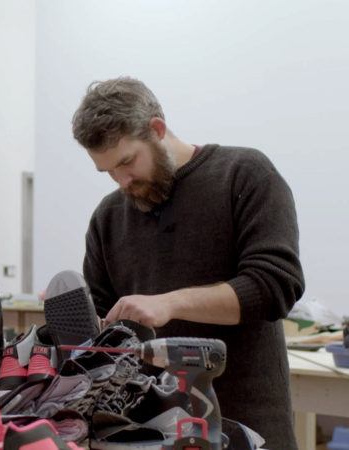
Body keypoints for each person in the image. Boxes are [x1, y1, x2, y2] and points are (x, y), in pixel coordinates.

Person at [71, 77, 304, 449]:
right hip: (148, 433)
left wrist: (169, 303)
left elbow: (274, 286)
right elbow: (101, 332)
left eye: (128, 162)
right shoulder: (108, 217)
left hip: (246, 427)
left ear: (157, 129)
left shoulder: (244, 174)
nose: (122, 180)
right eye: (108, 171)